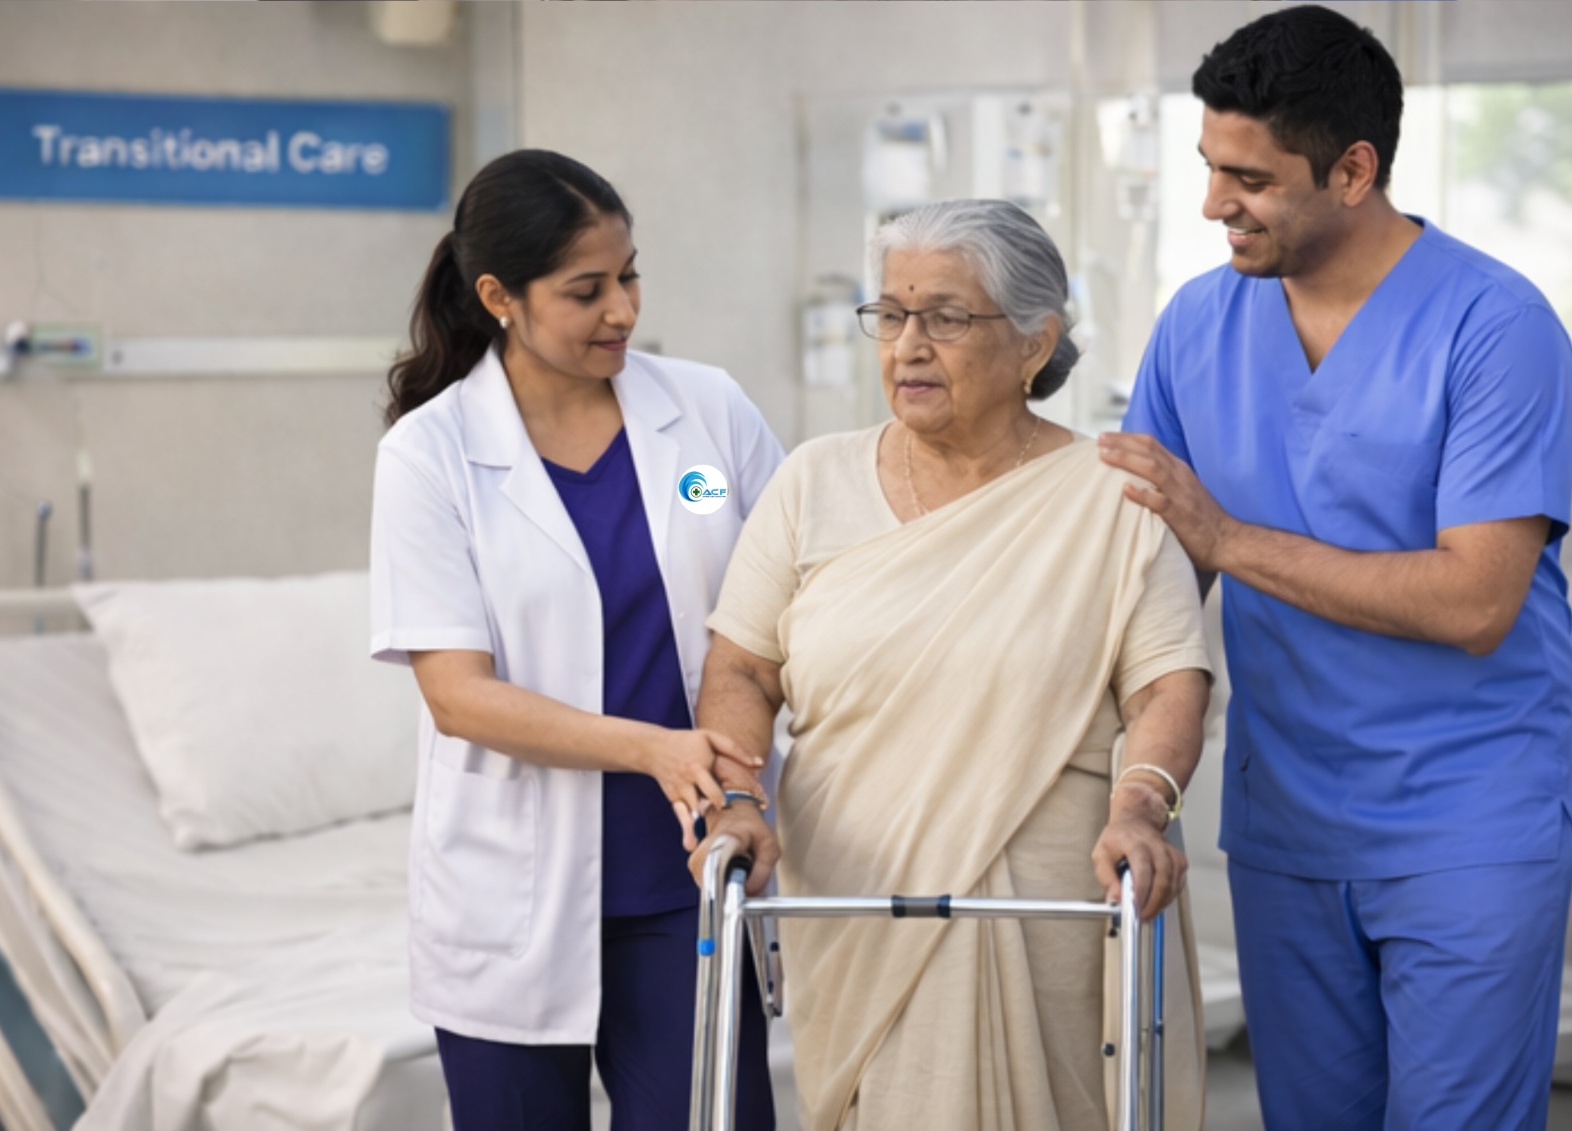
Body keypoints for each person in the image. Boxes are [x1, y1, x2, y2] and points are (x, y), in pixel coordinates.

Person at [1099, 7, 1572, 1130]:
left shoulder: (1493, 326)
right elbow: (1149, 580)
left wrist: (1228, 540)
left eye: (1249, 178)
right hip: (1285, 825)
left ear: (1354, 170)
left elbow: (1474, 599)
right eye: (1210, 167)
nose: (1215, 202)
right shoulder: (1197, 324)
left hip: (1466, 822)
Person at [693, 198, 1211, 1131]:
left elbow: (1169, 681)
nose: (908, 345)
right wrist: (738, 799)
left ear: (1033, 342)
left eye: (946, 317)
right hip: (856, 894)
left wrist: (1141, 807)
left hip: (1052, 903)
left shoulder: (1113, 495)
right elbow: (740, 668)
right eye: (891, 315)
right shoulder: (813, 481)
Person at [368, 149, 781, 1131]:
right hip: (510, 889)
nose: (623, 311)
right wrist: (652, 748)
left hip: (688, 872)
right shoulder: (430, 455)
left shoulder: (707, 412)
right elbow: (458, 695)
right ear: (498, 296)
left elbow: (787, 604)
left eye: (630, 275)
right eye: (586, 290)